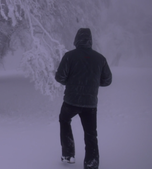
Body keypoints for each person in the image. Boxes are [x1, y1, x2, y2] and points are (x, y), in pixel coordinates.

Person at [55, 28, 112, 169]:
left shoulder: (69, 56)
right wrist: (92, 84)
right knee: (91, 133)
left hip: (71, 101)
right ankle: (91, 164)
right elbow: (107, 80)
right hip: (90, 103)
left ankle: (68, 155)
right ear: (90, 40)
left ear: (76, 40)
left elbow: (59, 77)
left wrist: (71, 82)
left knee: (64, 119)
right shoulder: (100, 58)